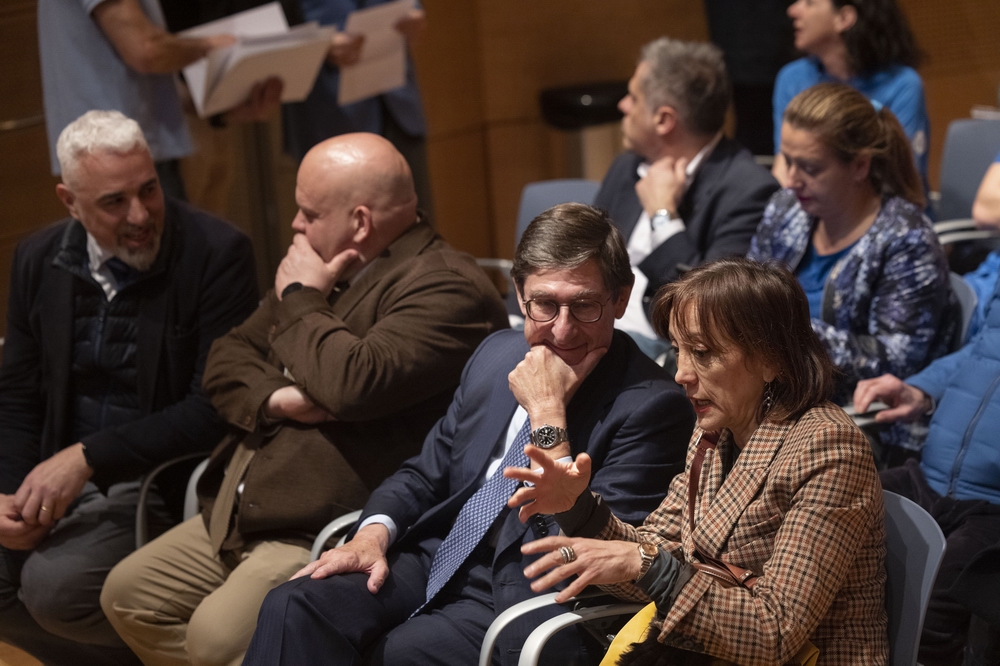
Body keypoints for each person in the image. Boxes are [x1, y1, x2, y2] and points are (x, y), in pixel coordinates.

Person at [99, 132, 508, 666]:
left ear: (359, 222)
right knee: (126, 596)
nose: (295, 225)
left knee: (212, 640)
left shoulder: (446, 287)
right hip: (238, 509)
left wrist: (299, 297)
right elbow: (226, 359)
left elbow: (352, 383)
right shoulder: (327, 264)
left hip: (323, 520)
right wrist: (283, 399)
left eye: (308, 213)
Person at [242, 203, 697, 666]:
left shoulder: (652, 406)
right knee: (294, 606)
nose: (562, 330)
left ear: (620, 299)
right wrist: (372, 535)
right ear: (519, 294)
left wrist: (547, 411)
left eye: (584, 305)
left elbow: (596, 559)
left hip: (526, 592)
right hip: (439, 555)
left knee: (394, 654)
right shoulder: (496, 355)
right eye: (544, 304)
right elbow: (425, 473)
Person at [514, 257, 888, 665]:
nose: (681, 374)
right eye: (678, 350)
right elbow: (651, 558)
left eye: (703, 353)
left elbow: (775, 633)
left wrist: (649, 566)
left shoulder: (829, 447)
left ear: (772, 359)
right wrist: (578, 508)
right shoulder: (714, 431)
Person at [0, 110, 259, 665]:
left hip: (157, 479)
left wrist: (87, 458)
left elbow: (212, 408)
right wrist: (7, 494)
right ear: (70, 201)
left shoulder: (216, 253)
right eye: (115, 202)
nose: (140, 215)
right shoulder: (37, 258)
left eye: (148, 189)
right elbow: (19, 393)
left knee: (53, 589)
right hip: (57, 473)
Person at [748, 83, 953, 446]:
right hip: (775, 394)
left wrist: (788, 331)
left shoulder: (906, 238)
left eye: (810, 167)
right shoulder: (785, 209)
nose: (791, 180)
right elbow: (749, 290)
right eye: (787, 161)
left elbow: (898, 360)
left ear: (860, 165)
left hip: (855, 421)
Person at [594, 37, 779, 359]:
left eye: (634, 98)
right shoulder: (627, 166)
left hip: (666, 353)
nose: (623, 105)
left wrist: (663, 216)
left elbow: (710, 309)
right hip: (593, 327)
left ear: (664, 120)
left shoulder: (749, 191)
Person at [853, 270, 1000, 666]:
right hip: (930, 472)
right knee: (833, 510)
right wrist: (921, 389)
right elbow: (980, 350)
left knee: (929, 614)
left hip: (992, 505)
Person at [38, 0, 283, 199]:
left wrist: (223, 107)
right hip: (114, 163)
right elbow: (146, 50)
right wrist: (211, 46)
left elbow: (145, 80)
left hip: (138, 153)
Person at [283, 0, 433, 215]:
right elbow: (268, 21)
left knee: (415, 219)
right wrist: (316, 43)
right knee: (342, 224)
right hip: (330, 109)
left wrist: (415, 10)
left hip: (397, 97)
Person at [772, 0, 929, 188]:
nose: (792, 10)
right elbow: (785, 164)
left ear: (844, 18)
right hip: (815, 200)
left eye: (809, 2)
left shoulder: (903, 84)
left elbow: (901, 178)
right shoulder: (792, 78)